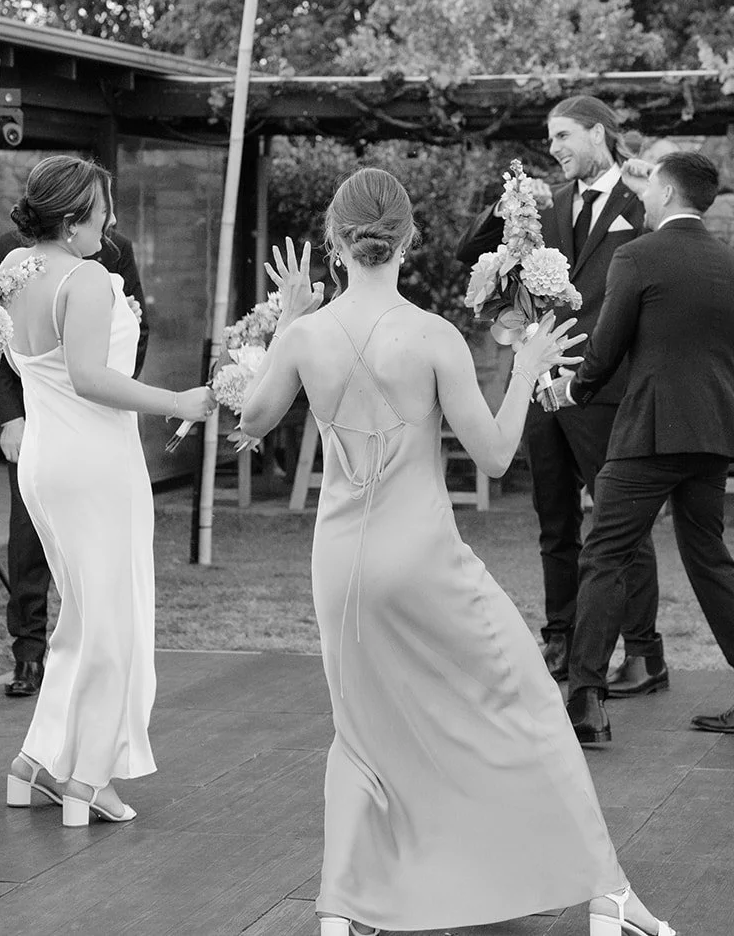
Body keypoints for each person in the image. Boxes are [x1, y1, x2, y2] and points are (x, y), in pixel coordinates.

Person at [237, 168, 675, 936]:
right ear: (409, 239)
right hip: (423, 558)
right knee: (529, 705)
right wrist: (527, 369)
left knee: (363, 732)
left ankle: (345, 910)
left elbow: (251, 417)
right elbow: (497, 455)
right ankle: (607, 895)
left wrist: (292, 318)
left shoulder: (306, 337)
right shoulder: (434, 336)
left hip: (340, 564)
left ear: (336, 242)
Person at [545, 151, 734, 746]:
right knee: (709, 559)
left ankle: (585, 702)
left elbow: (605, 350)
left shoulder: (637, 256)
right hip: (713, 432)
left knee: (605, 555)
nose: (644, 195)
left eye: (650, 186)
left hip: (651, 432)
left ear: (665, 191)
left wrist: (569, 390)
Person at [0, 154, 213, 828]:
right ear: (71, 221)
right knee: (114, 620)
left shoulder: (15, 269)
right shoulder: (85, 279)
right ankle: (89, 777)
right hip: (95, 464)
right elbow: (89, 378)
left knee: (83, 617)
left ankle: (37, 760)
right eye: (102, 211)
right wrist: (177, 400)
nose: (111, 222)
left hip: (44, 461)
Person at [456, 97, 665, 697]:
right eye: (551, 139)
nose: (554, 148)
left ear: (599, 134)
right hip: (540, 383)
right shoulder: (543, 206)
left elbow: (663, 271)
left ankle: (644, 653)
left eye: (564, 135)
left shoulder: (641, 202)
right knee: (554, 520)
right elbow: (470, 253)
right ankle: (561, 640)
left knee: (622, 524)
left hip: (608, 387)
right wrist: (508, 207)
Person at [0, 222, 149, 700]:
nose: (108, 219)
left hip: (92, 422)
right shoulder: (7, 254)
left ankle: (90, 668)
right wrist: (10, 418)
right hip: (35, 420)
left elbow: (136, 332)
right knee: (28, 540)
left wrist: (113, 381)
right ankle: (28, 650)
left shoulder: (113, 250)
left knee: (96, 564)